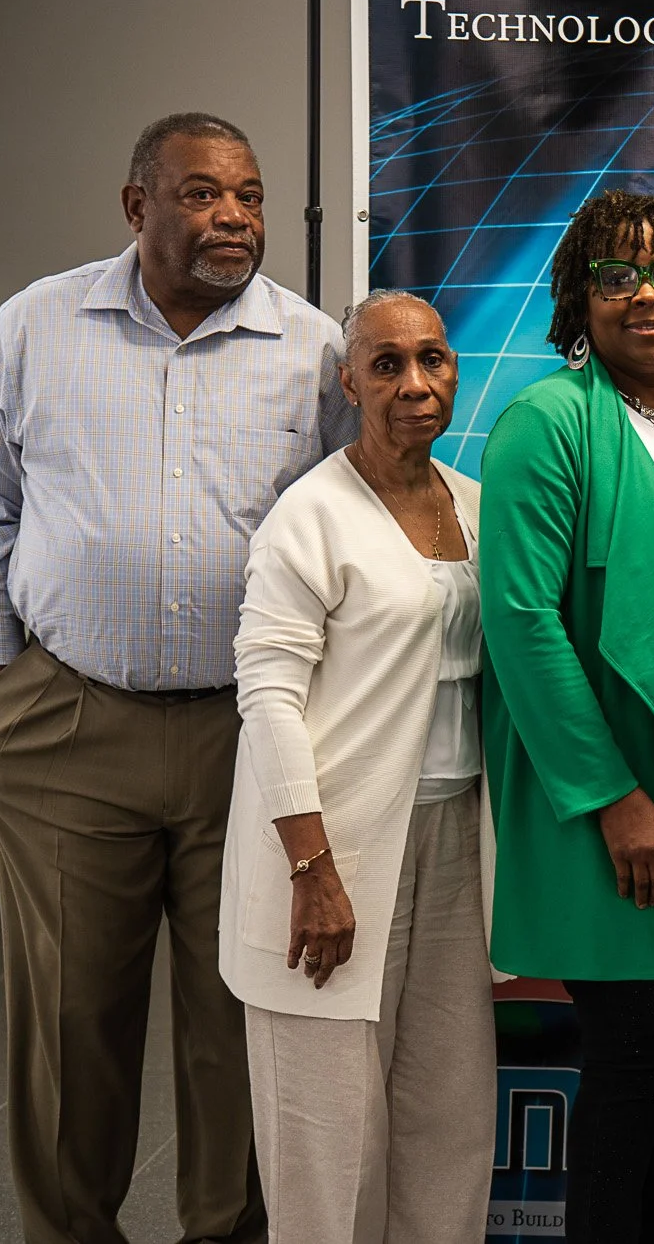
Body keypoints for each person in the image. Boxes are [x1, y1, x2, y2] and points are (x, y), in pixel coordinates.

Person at [0, 111, 353, 1244]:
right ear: (137, 207)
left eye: (250, 196)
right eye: (202, 194)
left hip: (245, 733)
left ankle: (226, 1232)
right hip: (69, 721)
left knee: (241, 1017)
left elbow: (351, 526)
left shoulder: (313, 347)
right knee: (73, 1017)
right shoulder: (37, 326)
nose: (234, 217)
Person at [481, 191, 654, 1244]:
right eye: (618, 275)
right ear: (577, 296)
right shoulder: (546, 422)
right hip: (612, 771)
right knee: (634, 1055)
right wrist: (611, 796)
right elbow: (520, 620)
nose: (648, 295)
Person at [218, 290, 495, 1242]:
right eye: (386, 365)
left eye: (432, 359)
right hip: (330, 850)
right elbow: (268, 697)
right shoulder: (310, 517)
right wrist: (312, 867)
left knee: (448, 1117)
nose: (415, 383)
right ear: (348, 382)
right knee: (328, 1141)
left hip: (453, 838)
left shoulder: (473, 501)